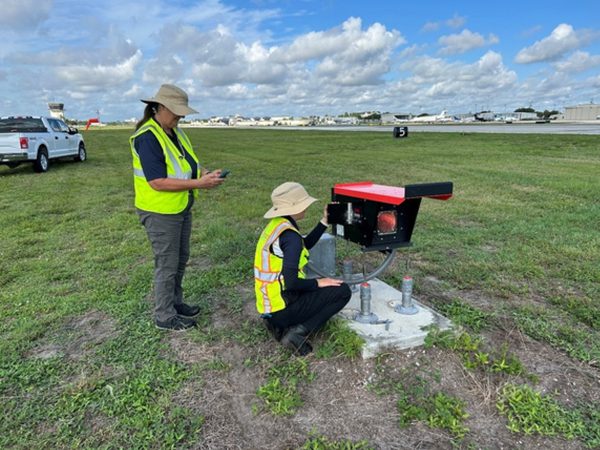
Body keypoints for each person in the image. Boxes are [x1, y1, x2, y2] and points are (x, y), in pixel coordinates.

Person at [131, 84, 225, 331]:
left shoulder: (175, 131)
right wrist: (199, 184)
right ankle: (164, 316)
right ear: (159, 107)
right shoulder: (147, 137)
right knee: (167, 263)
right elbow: (157, 181)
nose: (180, 117)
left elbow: (188, 163)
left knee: (180, 259)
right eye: (176, 111)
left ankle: (175, 303)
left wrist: (205, 173)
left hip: (179, 208)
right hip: (160, 212)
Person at [254, 182, 352, 355]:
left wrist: (324, 221)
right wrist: (318, 283)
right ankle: (297, 332)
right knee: (342, 291)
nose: (306, 207)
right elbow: (292, 283)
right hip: (282, 308)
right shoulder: (290, 237)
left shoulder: (278, 226)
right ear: (295, 208)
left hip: (271, 308)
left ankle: (278, 324)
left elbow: (303, 245)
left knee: (320, 287)